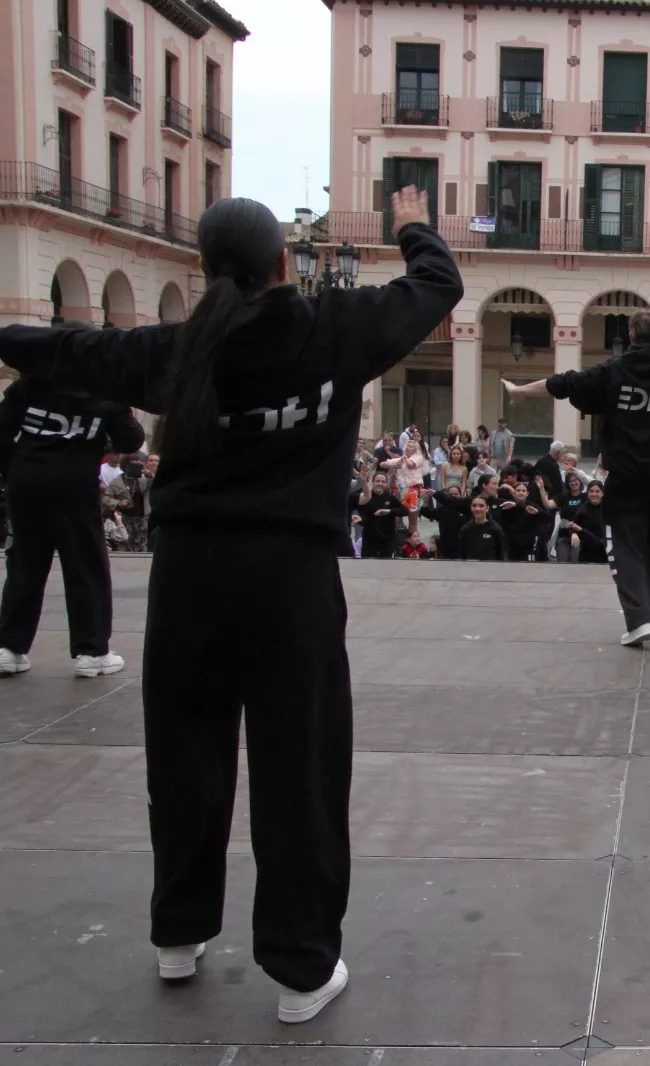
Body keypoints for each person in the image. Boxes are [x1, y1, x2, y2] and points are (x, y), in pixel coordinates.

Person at [0, 188, 462, 1022]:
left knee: (184, 760)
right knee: (300, 771)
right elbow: (438, 285)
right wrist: (408, 223)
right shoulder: (337, 329)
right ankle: (299, 969)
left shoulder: (173, 350)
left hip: (188, 578)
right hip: (290, 582)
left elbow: (65, 350)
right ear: (283, 261)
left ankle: (179, 938)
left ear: (204, 268)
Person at [504, 310, 650, 643]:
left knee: (628, 547)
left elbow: (563, 383)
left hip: (628, 478)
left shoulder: (612, 371)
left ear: (630, 336)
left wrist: (519, 390)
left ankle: (640, 619)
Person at [0, 379, 144, 677]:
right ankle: (91, 651)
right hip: (74, 484)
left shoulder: (30, 385)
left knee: (24, 563)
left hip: (27, 480)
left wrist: (14, 466)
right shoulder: (104, 390)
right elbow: (131, 440)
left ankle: (10, 647)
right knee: (85, 565)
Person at [459, 496, 506, 561]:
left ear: (487, 508)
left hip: (490, 568)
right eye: (474, 506)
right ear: (471, 508)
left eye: (481, 506)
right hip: (470, 568)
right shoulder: (465, 529)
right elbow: (461, 554)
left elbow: (501, 554)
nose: (477, 509)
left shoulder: (496, 529)